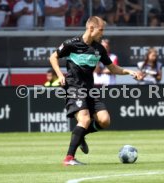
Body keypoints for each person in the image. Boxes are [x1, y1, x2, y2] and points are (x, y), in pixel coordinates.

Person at [49, 16, 142, 166]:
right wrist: (60, 75)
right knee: (84, 119)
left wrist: (129, 72)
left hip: (90, 89)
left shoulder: (99, 49)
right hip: (74, 87)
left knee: (104, 120)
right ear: (91, 28)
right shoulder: (72, 44)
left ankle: (81, 135)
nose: (102, 33)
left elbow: (112, 68)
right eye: (101, 30)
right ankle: (69, 159)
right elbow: (53, 57)